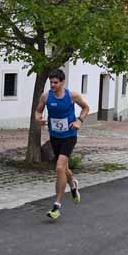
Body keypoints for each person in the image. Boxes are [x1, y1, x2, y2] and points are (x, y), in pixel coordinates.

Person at [34, 69, 90, 220]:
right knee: (64, 169)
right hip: (55, 136)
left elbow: (86, 108)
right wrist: (38, 119)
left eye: (55, 82)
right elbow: (38, 111)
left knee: (59, 167)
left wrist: (79, 121)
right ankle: (73, 184)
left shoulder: (72, 96)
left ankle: (56, 206)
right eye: (51, 82)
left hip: (69, 136)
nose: (52, 85)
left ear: (63, 82)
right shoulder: (46, 96)